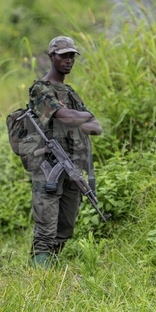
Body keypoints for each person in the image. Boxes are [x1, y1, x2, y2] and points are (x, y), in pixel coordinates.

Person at [27, 36, 102, 267]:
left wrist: (78, 118)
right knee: (46, 227)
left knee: (65, 226)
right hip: (49, 166)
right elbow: (65, 117)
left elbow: (96, 127)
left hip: (72, 167)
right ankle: (37, 275)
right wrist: (81, 117)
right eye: (63, 56)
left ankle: (53, 269)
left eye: (72, 56)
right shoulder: (40, 89)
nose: (68, 60)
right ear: (51, 57)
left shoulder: (70, 92)